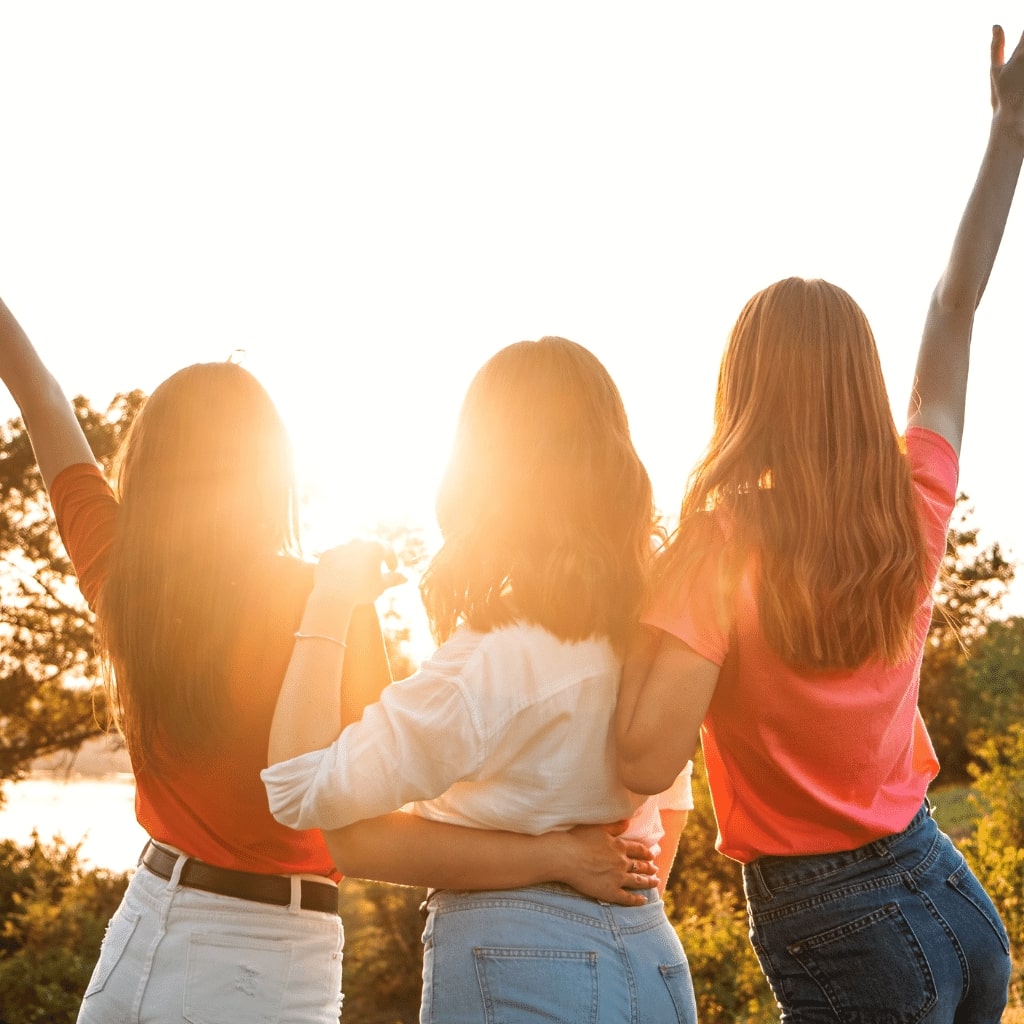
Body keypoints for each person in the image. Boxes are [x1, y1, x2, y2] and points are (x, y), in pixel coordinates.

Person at [0, 312, 661, 1024]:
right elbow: (372, 830)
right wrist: (557, 856)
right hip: (265, 959)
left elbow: (41, 400)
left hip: (136, 935)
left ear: (149, 466)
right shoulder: (329, 604)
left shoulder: (123, 580)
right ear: (269, 476)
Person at [614, 24, 1023, 1024]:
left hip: (834, 920)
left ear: (742, 391)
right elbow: (954, 308)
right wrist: (1007, 133)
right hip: (949, 894)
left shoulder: (717, 549)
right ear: (859, 382)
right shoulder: (913, 499)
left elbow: (638, 757)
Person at [262, 336, 699, 1024]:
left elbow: (295, 789)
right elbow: (670, 799)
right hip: (652, 958)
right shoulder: (657, 634)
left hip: (520, 959)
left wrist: (329, 602)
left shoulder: (494, 659)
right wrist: (594, 883)